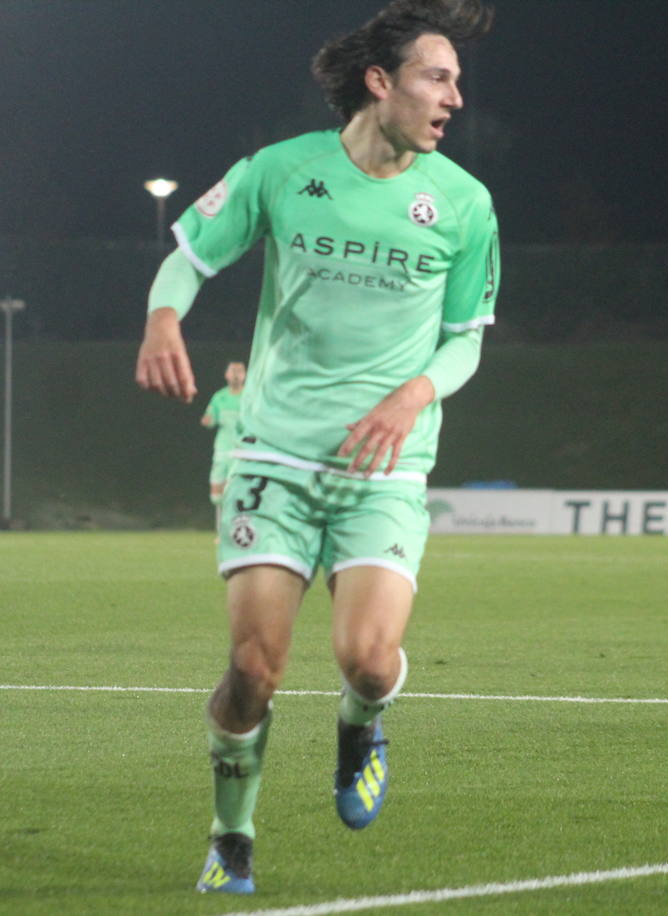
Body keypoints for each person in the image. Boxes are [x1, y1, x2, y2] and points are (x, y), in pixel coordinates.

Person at [136, 0, 498, 893]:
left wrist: (413, 394)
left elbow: (467, 338)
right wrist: (160, 316)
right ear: (382, 83)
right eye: (437, 76)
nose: (454, 95)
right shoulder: (281, 170)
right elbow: (188, 253)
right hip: (275, 459)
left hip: (385, 467)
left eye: (455, 79)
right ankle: (233, 835)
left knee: (368, 660)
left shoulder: (463, 202)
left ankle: (361, 720)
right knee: (254, 671)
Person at [201, 361, 246, 528]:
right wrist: (208, 420)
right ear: (226, 375)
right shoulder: (219, 397)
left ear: (245, 375)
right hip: (222, 449)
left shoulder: (249, 396)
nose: (235, 375)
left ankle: (233, 528)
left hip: (241, 451)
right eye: (232, 372)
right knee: (216, 496)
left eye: (239, 372)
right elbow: (210, 418)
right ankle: (220, 530)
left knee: (234, 492)